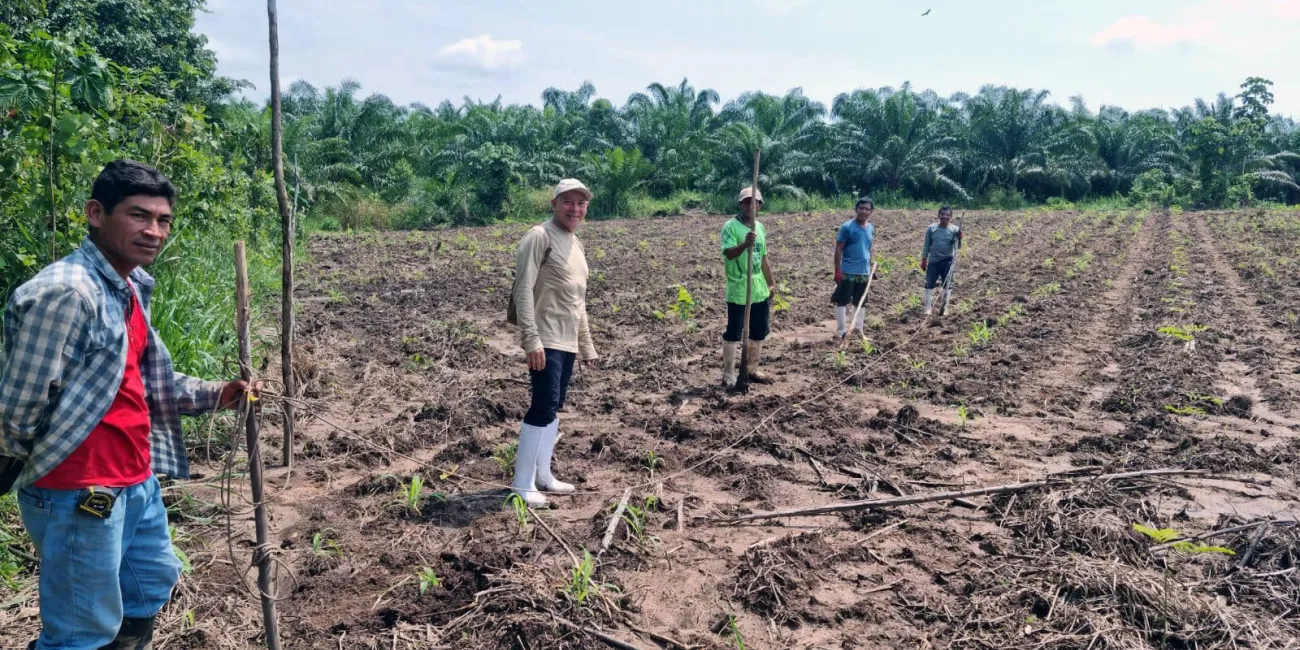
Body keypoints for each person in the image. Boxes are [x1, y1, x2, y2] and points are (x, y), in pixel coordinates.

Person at [0, 160, 253, 650]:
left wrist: (216, 393)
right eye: (139, 216)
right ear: (96, 213)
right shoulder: (66, 292)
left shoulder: (128, 286)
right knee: (81, 630)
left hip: (135, 478)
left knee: (149, 584)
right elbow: (16, 407)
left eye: (163, 221)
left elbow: (138, 377)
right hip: (77, 489)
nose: (154, 232)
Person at [509, 178, 599, 507]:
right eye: (568, 202)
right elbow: (523, 289)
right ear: (554, 203)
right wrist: (530, 339)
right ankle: (522, 483)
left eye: (581, 204)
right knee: (543, 404)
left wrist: (586, 345)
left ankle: (543, 475)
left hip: (567, 339)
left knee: (555, 406)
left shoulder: (576, 244)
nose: (575, 209)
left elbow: (579, 300)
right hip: (545, 336)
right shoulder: (539, 237)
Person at [720, 186, 777, 388]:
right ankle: (729, 374)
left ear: (760, 205)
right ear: (740, 204)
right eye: (746, 202)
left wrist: (771, 282)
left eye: (754, 202)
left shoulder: (759, 227)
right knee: (734, 331)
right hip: (739, 286)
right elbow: (728, 253)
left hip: (758, 286)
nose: (750, 205)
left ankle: (751, 369)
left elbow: (763, 258)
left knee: (759, 330)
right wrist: (745, 245)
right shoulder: (730, 227)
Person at [831, 198, 876, 340]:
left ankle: (858, 330)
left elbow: (868, 249)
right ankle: (841, 331)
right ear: (856, 209)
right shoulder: (847, 227)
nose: (864, 211)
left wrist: (870, 266)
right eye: (861, 208)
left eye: (867, 209)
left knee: (861, 302)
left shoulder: (870, 228)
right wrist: (837, 270)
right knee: (842, 301)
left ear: (871, 212)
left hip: (864, 271)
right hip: (848, 270)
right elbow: (838, 248)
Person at [920, 206, 963, 316]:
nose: (945, 217)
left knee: (947, 284)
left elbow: (958, 247)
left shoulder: (954, 230)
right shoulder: (932, 228)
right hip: (934, 260)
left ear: (951, 216)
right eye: (943, 214)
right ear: (938, 215)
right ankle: (927, 308)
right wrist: (924, 259)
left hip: (948, 260)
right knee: (929, 283)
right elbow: (926, 245)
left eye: (947, 215)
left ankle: (944, 307)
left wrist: (960, 238)